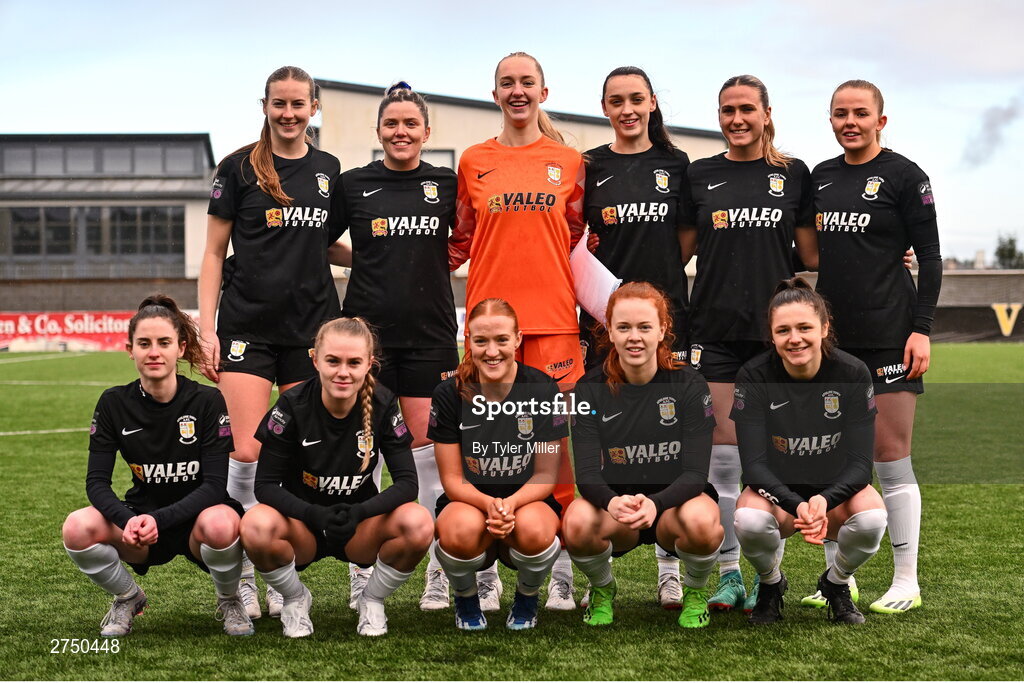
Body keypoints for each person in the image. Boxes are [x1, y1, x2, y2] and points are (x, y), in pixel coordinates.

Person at [198, 65, 345, 619]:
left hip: (312, 332)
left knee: (320, 451)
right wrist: (206, 327)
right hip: (247, 329)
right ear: (265, 105)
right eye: (279, 104)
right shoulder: (237, 168)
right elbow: (214, 253)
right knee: (247, 451)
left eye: (298, 105)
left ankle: (348, 574)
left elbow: (323, 247)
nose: (289, 113)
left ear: (313, 109)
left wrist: (388, 259)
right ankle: (240, 582)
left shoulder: (329, 170)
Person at [449, 51, 585, 610]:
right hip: (488, 327)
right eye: (507, 83)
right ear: (495, 93)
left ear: (544, 92)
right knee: (486, 442)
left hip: (554, 322)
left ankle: (560, 572)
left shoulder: (570, 161)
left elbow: (577, 237)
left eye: (527, 82)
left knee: (559, 453)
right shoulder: (473, 161)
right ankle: (482, 569)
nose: (518, 91)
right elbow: (458, 241)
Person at [679, 74, 818, 613]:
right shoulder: (701, 174)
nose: (736, 119)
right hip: (713, 332)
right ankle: (732, 574)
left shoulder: (793, 174)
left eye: (746, 109)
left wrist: (891, 254)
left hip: (775, 336)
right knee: (723, 459)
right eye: (727, 110)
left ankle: (770, 573)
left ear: (766, 113)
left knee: (771, 457)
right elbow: (677, 253)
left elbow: (812, 254)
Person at [810, 80, 941, 614]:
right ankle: (836, 581)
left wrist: (922, 327)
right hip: (831, 342)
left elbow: (929, 257)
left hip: (891, 336)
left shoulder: (907, 176)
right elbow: (815, 251)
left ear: (880, 121)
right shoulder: (820, 177)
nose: (850, 122)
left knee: (890, 458)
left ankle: (905, 580)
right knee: (835, 464)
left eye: (861, 113)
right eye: (840, 113)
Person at [332, 83, 459, 612]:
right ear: (378, 131)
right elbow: (316, 238)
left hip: (431, 337)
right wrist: (364, 261)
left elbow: (469, 240)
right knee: (366, 456)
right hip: (369, 342)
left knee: (429, 457)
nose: (401, 132)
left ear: (427, 132)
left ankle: (439, 569)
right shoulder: (353, 184)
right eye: (392, 124)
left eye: (411, 124)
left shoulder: (446, 184)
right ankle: (363, 570)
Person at [62, 295, 252, 638]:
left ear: (180, 348)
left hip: (200, 518)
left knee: (224, 522)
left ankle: (229, 599)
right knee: (76, 527)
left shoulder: (207, 401)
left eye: (164, 343)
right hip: (141, 520)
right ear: (129, 350)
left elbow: (214, 485)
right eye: (144, 343)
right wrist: (129, 520)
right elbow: (96, 483)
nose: (154, 352)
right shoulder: (112, 403)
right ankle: (128, 596)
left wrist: (159, 520)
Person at [239, 317, 433, 637]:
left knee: (418, 522)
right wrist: (313, 513)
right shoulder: (292, 404)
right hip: (304, 527)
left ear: (369, 364)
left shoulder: (383, 402)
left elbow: (407, 484)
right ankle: (295, 598)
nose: (343, 372)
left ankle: (372, 599)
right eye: (333, 361)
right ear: (315, 359)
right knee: (255, 525)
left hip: (359, 527)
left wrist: (359, 511)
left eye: (354, 362)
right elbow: (265, 485)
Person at [581, 65, 693, 609]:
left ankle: (669, 567)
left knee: (667, 437)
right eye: (616, 101)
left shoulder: (676, 165)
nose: (627, 109)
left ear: (652, 103)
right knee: (607, 438)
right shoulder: (591, 167)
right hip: (603, 328)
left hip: (659, 326)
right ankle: (587, 576)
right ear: (605, 108)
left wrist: (654, 301)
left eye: (636, 99)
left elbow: (686, 242)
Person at [563, 282, 723, 628]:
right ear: (609, 330)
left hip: (675, 507)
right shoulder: (590, 389)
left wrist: (657, 503)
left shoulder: (689, 385)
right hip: (619, 509)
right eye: (624, 327)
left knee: (703, 522)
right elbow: (587, 473)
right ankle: (603, 588)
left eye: (644, 327)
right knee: (576, 521)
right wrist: (611, 502)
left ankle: (694, 591)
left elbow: (696, 473)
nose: (634, 337)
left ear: (663, 329)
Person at [733, 278, 888, 624]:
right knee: (749, 519)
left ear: (824, 327)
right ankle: (771, 584)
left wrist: (824, 500)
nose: (795, 338)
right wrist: (798, 504)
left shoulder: (852, 372)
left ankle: (836, 584)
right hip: (780, 498)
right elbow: (754, 467)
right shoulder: (754, 376)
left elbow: (862, 465)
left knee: (873, 517)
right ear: (772, 335)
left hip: (832, 497)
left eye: (804, 327)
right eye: (783, 330)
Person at [428, 298, 565, 630]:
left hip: (528, 500)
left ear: (518, 338)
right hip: (470, 501)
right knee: (457, 530)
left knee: (536, 530)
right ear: (468, 339)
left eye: (502, 340)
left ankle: (526, 598)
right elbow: (452, 479)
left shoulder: (544, 389)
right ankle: (466, 599)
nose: (492, 351)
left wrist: (510, 505)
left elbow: (547, 474)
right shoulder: (449, 393)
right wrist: (491, 505)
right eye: (481, 341)